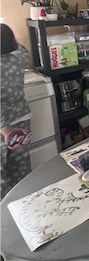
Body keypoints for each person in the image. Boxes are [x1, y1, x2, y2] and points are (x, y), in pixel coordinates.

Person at [1, 23, 32, 199]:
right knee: (21, 167)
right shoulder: (20, 57)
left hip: (3, 126)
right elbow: (21, 48)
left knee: (2, 174)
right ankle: (23, 200)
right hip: (22, 117)